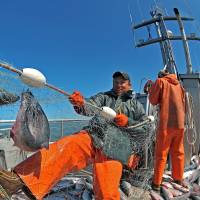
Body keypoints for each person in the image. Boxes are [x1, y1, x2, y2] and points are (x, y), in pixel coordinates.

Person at [0, 71, 147, 200]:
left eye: (122, 82)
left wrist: (128, 122)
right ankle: (17, 180)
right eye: (116, 82)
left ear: (129, 84)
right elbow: (89, 107)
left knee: (107, 192)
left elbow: (145, 128)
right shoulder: (104, 97)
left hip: (117, 148)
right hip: (93, 137)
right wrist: (80, 103)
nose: (118, 85)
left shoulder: (136, 106)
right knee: (64, 147)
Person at [144, 69, 186, 192]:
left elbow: (153, 100)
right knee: (178, 152)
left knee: (161, 153)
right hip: (180, 123)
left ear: (160, 75)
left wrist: (150, 88)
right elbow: (183, 101)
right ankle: (178, 178)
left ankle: (156, 183)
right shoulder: (179, 84)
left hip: (166, 123)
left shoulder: (160, 81)